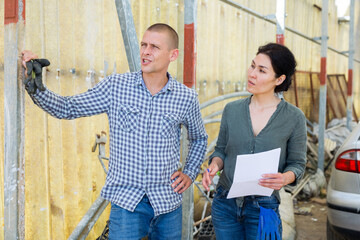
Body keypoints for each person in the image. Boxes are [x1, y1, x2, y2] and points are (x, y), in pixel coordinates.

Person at [22, 23, 208, 240]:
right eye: (143, 44)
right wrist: (36, 88)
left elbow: (199, 138)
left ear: (173, 55)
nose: (146, 51)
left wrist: (189, 172)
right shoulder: (116, 87)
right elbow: (68, 108)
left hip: (168, 203)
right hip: (127, 204)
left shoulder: (185, 98)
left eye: (154, 47)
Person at [202, 43, 307, 240]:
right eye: (252, 66)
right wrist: (214, 166)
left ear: (280, 79)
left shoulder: (294, 118)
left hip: (264, 207)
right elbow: (221, 151)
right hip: (226, 204)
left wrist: (285, 178)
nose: (252, 74)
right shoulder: (231, 110)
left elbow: (298, 164)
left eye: (261, 70)